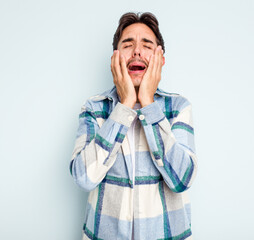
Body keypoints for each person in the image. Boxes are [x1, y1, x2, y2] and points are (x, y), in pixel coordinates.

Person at [69, 12, 197, 240]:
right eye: (128, 44)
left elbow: (182, 179)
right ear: (115, 59)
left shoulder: (178, 107)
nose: (137, 51)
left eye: (147, 44)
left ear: (161, 59)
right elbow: (83, 177)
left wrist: (148, 103)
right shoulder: (94, 108)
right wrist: (125, 105)